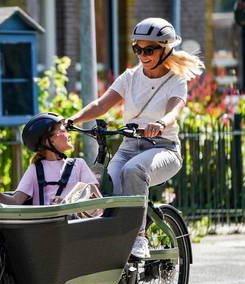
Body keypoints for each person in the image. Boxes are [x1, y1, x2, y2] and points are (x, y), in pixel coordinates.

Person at [68, 18, 204, 259]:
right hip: (129, 146)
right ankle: (113, 254)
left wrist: (161, 123)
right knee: (108, 185)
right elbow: (101, 104)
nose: (142, 54)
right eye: (137, 49)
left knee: (133, 171)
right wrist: (71, 121)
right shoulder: (130, 77)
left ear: (165, 49)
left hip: (164, 148)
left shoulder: (175, 80)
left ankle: (139, 238)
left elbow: (174, 111)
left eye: (148, 49)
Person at [0, 112, 98, 205]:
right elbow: (16, 201)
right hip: (43, 230)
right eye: (63, 131)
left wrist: (68, 201)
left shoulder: (79, 164)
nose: (68, 134)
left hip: (73, 228)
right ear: (49, 140)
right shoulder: (35, 169)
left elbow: (94, 192)